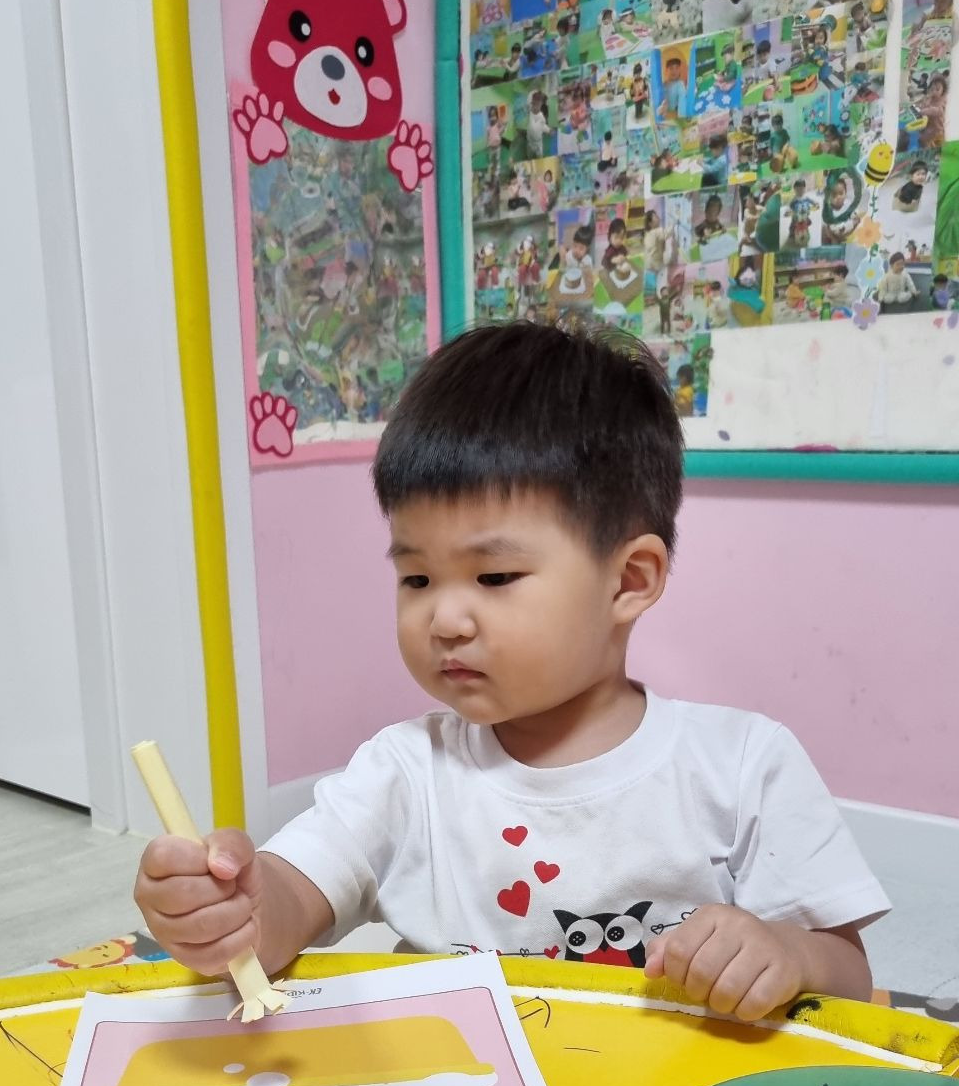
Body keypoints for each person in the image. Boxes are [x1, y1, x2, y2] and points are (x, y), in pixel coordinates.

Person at [136, 322, 888, 1020]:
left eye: (493, 577)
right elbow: (288, 905)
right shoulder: (405, 772)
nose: (445, 619)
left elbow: (848, 977)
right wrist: (229, 911)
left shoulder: (742, 766)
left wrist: (784, 954)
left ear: (629, 580)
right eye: (416, 578)